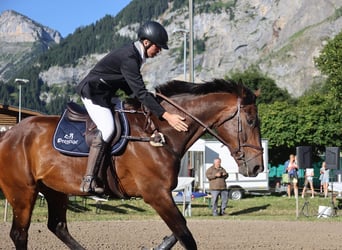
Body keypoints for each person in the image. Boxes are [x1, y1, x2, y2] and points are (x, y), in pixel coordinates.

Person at [76, 21, 188, 194]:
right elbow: (140, 92)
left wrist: (150, 98)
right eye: (157, 47)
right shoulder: (130, 58)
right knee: (107, 129)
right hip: (93, 92)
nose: (159, 51)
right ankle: (89, 179)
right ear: (146, 42)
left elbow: (130, 87)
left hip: (106, 94)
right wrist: (166, 115)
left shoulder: (134, 55)